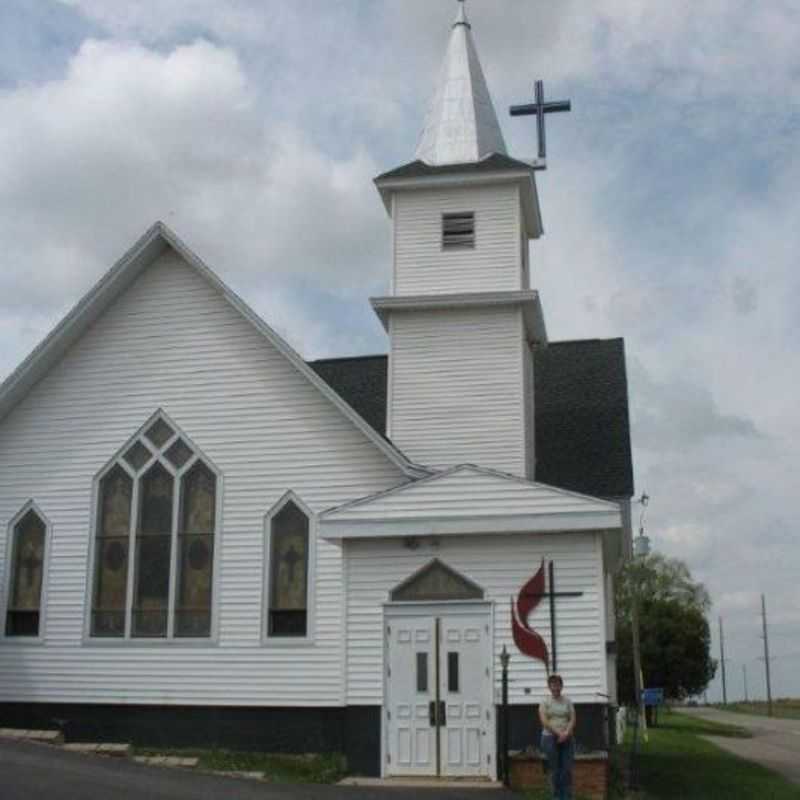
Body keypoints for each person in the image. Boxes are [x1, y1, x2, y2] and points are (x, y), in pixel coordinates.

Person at [538, 673, 576, 800]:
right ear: (549, 686)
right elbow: (544, 721)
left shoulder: (568, 701)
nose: (555, 686)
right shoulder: (544, 702)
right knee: (555, 769)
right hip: (550, 738)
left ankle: (566, 796)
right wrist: (559, 733)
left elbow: (572, 719)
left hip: (567, 738)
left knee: (566, 769)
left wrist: (566, 733)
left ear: (561, 686)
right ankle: (556, 796)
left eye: (558, 684)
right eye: (553, 684)